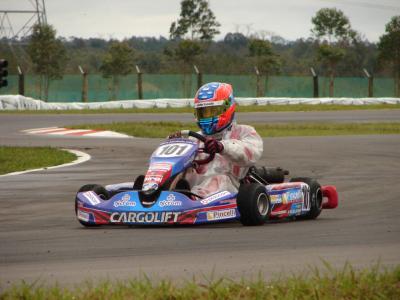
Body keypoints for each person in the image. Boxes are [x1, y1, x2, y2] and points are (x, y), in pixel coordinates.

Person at [170, 82, 263, 198]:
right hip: (196, 185)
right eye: (203, 112)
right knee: (180, 172)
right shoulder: (194, 138)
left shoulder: (245, 132)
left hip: (233, 187)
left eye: (211, 111)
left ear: (226, 108)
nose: (206, 117)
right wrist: (174, 146)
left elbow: (249, 154)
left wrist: (222, 147)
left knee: (218, 178)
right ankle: (158, 194)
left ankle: (193, 200)